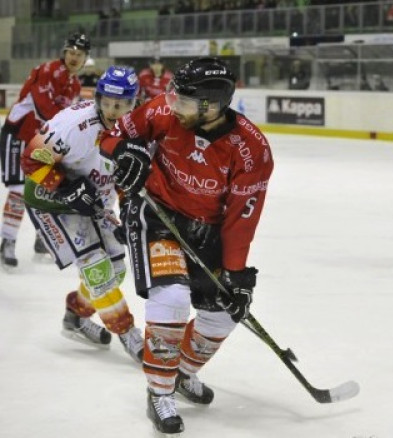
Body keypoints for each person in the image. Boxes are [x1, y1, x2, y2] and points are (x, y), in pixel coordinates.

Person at [99, 57, 274, 434]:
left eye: (184, 101)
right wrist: (121, 151)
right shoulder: (165, 109)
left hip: (207, 229)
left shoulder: (251, 150)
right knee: (173, 298)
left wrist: (236, 272)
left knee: (226, 313)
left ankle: (180, 372)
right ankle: (159, 392)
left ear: (212, 106)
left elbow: (242, 218)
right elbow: (114, 134)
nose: (172, 105)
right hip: (155, 214)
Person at [20, 66, 144, 363]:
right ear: (98, 97)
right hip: (50, 199)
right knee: (97, 269)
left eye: (122, 104)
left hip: (95, 201)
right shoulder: (73, 125)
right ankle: (129, 335)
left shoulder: (135, 129)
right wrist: (65, 186)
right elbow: (30, 160)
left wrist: (128, 208)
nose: (114, 111)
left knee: (116, 269)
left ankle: (75, 316)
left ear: (133, 103)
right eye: (108, 103)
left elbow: (127, 176)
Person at [0, 32, 90, 268]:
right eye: (71, 52)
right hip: (20, 134)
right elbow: (43, 108)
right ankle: (7, 241)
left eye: (79, 54)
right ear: (64, 52)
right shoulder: (48, 71)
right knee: (20, 190)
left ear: (85, 58)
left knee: (49, 189)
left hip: (43, 142)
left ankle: (42, 239)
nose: (74, 57)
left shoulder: (75, 83)